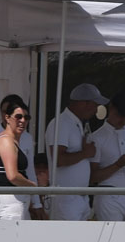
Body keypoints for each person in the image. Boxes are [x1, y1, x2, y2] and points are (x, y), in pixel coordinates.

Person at [45, 83, 108, 221]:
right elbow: (58, 159)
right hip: (65, 197)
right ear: (84, 103)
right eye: (95, 105)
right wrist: (85, 153)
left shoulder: (76, 123)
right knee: (67, 235)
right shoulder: (61, 123)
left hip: (79, 197)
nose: (96, 110)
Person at [0, 94, 42, 220]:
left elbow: (29, 171)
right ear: (7, 116)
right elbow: (12, 175)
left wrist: (36, 202)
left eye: (26, 117)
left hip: (16, 197)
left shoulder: (26, 138)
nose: (23, 120)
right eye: (18, 116)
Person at [89, 91, 125, 222]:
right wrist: (118, 165)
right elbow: (93, 177)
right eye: (120, 114)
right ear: (111, 108)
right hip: (108, 196)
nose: (123, 120)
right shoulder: (96, 138)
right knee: (111, 233)